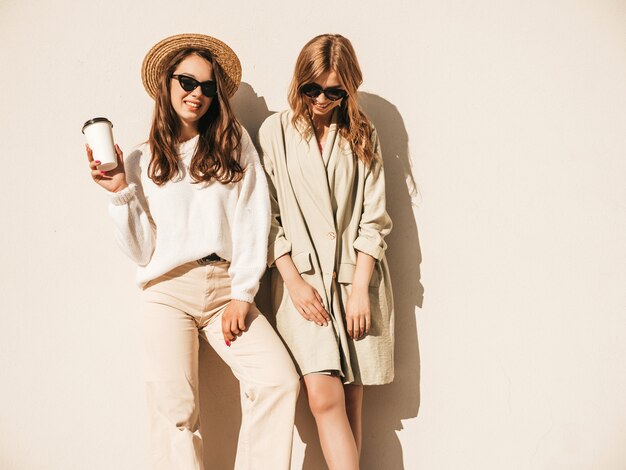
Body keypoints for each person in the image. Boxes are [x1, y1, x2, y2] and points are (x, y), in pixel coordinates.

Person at [85, 33, 299, 470]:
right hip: (166, 292)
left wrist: (243, 293)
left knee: (279, 381)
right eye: (186, 82)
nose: (196, 94)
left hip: (225, 291)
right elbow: (141, 252)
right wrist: (120, 193)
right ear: (166, 85)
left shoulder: (232, 143)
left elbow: (253, 217)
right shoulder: (141, 160)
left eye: (207, 86)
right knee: (176, 415)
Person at [258, 34, 394, 470]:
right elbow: (267, 215)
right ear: (299, 82)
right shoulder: (275, 131)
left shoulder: (362, 131)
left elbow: (374, 218)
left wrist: (359, 289)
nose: (321, 99)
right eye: (312, 88)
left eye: (335, 91)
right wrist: (292, 282)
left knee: (352, 404)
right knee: (323, 397)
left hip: (355, 280)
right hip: (305, 283)